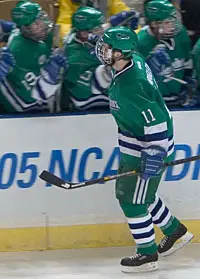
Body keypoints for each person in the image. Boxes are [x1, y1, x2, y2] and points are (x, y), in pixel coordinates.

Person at [95, 26, 193, 273]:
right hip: (135, 146)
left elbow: (157, 120)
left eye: (108, 47)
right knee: (140, 195)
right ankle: (175, 231)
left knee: (132, 201)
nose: (103, 50)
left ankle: (147, 254)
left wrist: (155, 155)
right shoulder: (129, 62)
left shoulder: (134, 83)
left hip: (147, 148)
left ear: (122, 53)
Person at [0, 1, 67, 113]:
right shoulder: (18, 51)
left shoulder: (40, 36)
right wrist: (50, 78)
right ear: (25, 28)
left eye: (41, 18)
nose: (42, 25)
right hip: (19, 111)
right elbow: (30, 101)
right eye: (35, 23)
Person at [137, 0, 196, 108]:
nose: (172, 26)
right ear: (154, 23)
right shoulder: (140, 43)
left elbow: (188, 64)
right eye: (167, 22)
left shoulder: (181, 34)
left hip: (179, 101)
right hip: (153, 105)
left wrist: (189, 82)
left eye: (173, 21)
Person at [62, 6, 111, 110]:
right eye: (98, 29)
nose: (102, 31)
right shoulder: (75, 56)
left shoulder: (85, 38)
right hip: (86, 109)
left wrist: (113, 23)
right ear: (84, 33)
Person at [56, 0, 140, 44]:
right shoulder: (68, 1)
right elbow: (64, 24)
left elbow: (125, 15)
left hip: (106, 41)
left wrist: (134, 37)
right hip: (80, 42)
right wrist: (81, 36)